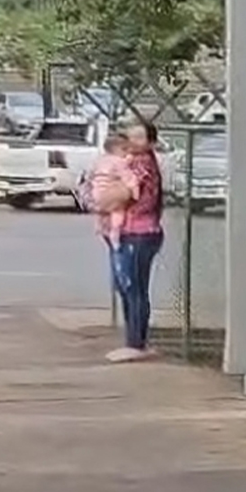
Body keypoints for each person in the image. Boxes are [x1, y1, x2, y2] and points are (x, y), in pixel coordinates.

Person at [107, 122, 164, 363]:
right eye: (131, 135)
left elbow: (124, 193)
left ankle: (136, 343)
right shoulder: (130, 161)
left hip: (140, 232)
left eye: (140, 136)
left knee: (134, 288)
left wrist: (106, 196)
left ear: (150, 142)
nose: (133, 139)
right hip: (131, 231)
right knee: (128, 287)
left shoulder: (142, 164)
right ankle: (135, 339)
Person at [89, 133, 139, 247]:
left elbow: (91, 174)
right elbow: (128, 177)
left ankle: (100, 225)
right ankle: (115, 232)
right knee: (117, 211)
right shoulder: (119, 162)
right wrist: (135, 191)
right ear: (117, 149)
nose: (127, 152)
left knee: (102, 210)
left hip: (97, 190)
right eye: (124, 149)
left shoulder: (101, 160)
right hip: (110, 189)